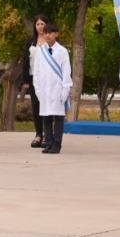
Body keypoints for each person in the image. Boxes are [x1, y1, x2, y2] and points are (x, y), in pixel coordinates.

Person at [29, 21, 72, 155]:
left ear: (56, 34)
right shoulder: (40, 51)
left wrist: (65, 90)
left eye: (50, 33)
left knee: (58, 117)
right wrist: (38, 90)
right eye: (46, 33)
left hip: (58, 89)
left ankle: (57, 144)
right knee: (46, 117)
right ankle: (48, 142)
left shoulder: (62, 51)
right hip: (44, 90)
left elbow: (66, 72)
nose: (47, 35)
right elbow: (36, 72)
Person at [24, 14, 48, 148]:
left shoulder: (50, 40)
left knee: (46, 106)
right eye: (38, 24)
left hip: (46, 78)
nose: (40, 27)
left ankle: (46, 134)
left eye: (42, 24)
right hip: (34, 78)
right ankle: (38, 134)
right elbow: (26, 62)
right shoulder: (31, 41)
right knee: (36, 106)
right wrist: (25, 80)